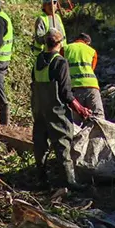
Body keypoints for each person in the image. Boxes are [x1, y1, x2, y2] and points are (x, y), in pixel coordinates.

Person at [32, 28, 92, 188]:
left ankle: (41, 180)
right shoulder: (60, 62)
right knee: (62, 144)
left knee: (40, 145)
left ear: (45, 43)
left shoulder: (38, 60)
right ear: (60, 43)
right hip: (55, 111)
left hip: (39, 110)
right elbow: (66, 94)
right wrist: (81, 109)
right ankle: (68, 181)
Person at [64, 33, 105, 124]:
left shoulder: (65, 48)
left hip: (74, 88)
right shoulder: (92, 51)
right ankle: (99, 137)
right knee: (98, 118)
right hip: (92, 86)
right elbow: (92, 68)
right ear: (87, 42)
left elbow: (61, 68)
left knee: (75, 121)